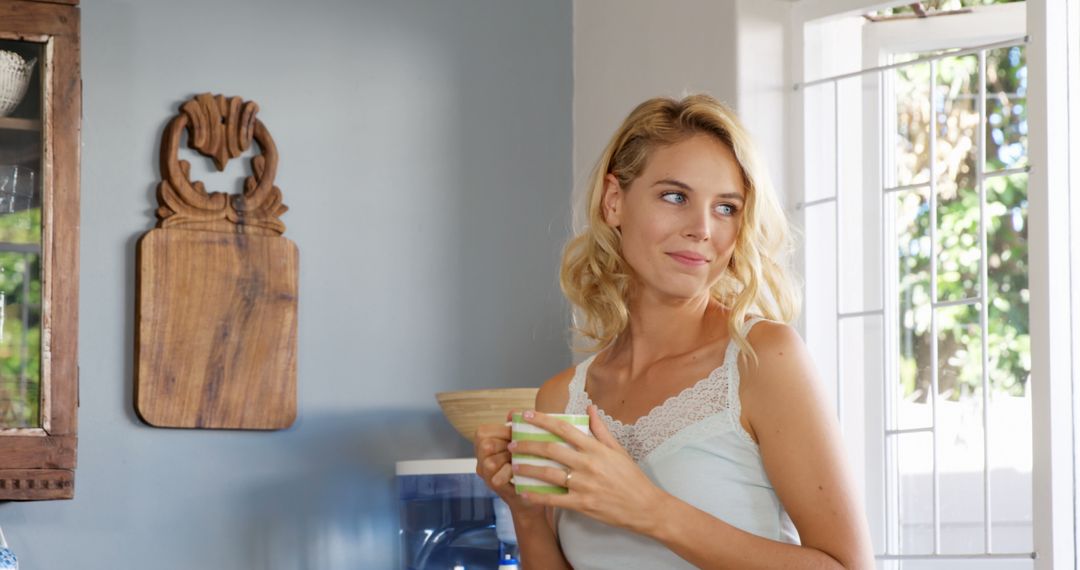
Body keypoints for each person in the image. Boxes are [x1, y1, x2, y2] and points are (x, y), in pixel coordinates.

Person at [474, 94, 875, 569]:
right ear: (614, 201)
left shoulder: (761, 358)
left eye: (726, 207)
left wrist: (652, 511)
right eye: (675, 196)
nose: (702, 228)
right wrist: (527, 515)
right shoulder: (561, 400)